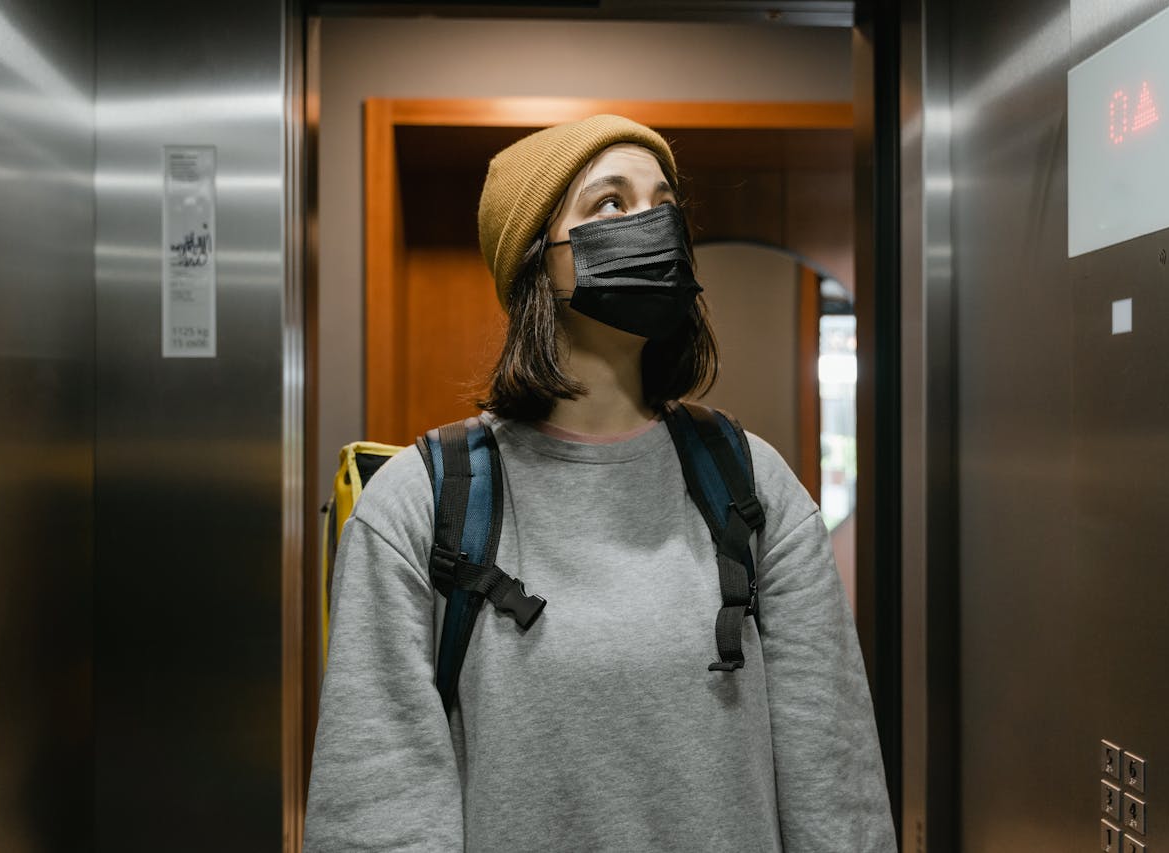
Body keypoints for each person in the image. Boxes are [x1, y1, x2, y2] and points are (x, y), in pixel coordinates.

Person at [304, 114, 895, 852]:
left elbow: (837, 793)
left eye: (663, 205)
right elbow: (377, 815)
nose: (650, 225)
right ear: (534, 258)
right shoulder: (418, 506)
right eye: (610, 203)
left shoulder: (754, 484)